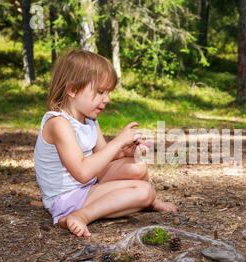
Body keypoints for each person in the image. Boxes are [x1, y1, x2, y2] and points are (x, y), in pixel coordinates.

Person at [33, 49, 177, 238]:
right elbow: (83, 173)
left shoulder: (89, 120)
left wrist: (125, 151)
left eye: (108, 92)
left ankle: (148, 202)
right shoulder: (59, 124)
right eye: (100, 92)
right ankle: (80, 215)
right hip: (66, 198)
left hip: (85, 186)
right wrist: (117, 142)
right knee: (144, 190)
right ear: (72, 89)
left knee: (137, 167)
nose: (107, 99)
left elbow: (103, 156)